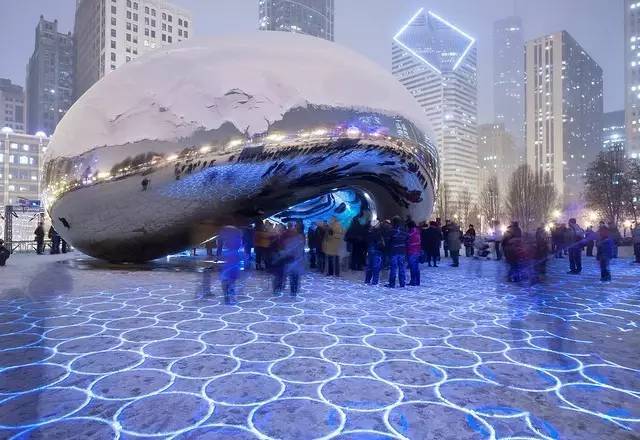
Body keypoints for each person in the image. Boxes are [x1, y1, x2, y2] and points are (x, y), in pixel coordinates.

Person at [278, 222, 305, 296]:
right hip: (295, 259)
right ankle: (293, 291)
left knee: (291, 275)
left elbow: (286, 248)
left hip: (292, 259)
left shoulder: (291, 238)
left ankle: (291, 290)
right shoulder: (300, 237)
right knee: (294, 276)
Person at [217, 226, 243, 304]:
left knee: (227, 283)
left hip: (230, 268)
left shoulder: (233, 243)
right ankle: (230, 298)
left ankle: (228, 298)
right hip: (232, 267)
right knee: (230, 283)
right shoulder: (236, 242)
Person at [385, 216, 408, 288]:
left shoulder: (391, 231)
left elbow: (387, 241)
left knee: (393, 267)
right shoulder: (404, 231)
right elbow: (407, 239)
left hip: (393, 251)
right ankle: (402, 283)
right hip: (402, 251)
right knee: (402, 267)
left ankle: (392, 283)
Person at [364, 220, 385, 285]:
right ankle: (374, 281)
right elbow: (381, 243)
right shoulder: (379, 233)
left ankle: (367, 280)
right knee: (376, 267)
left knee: (369, 266)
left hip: (370, 250)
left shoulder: (369, 232)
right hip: (377, 251)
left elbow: (366, 241)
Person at [407, 221, 421, 286]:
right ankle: (417, 281)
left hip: (411, 251)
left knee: (412, 267)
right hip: (417, 251)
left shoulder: (410, 233)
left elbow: (407, 242)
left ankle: (413, 281)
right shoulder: (418, 232)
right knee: (416, 267)